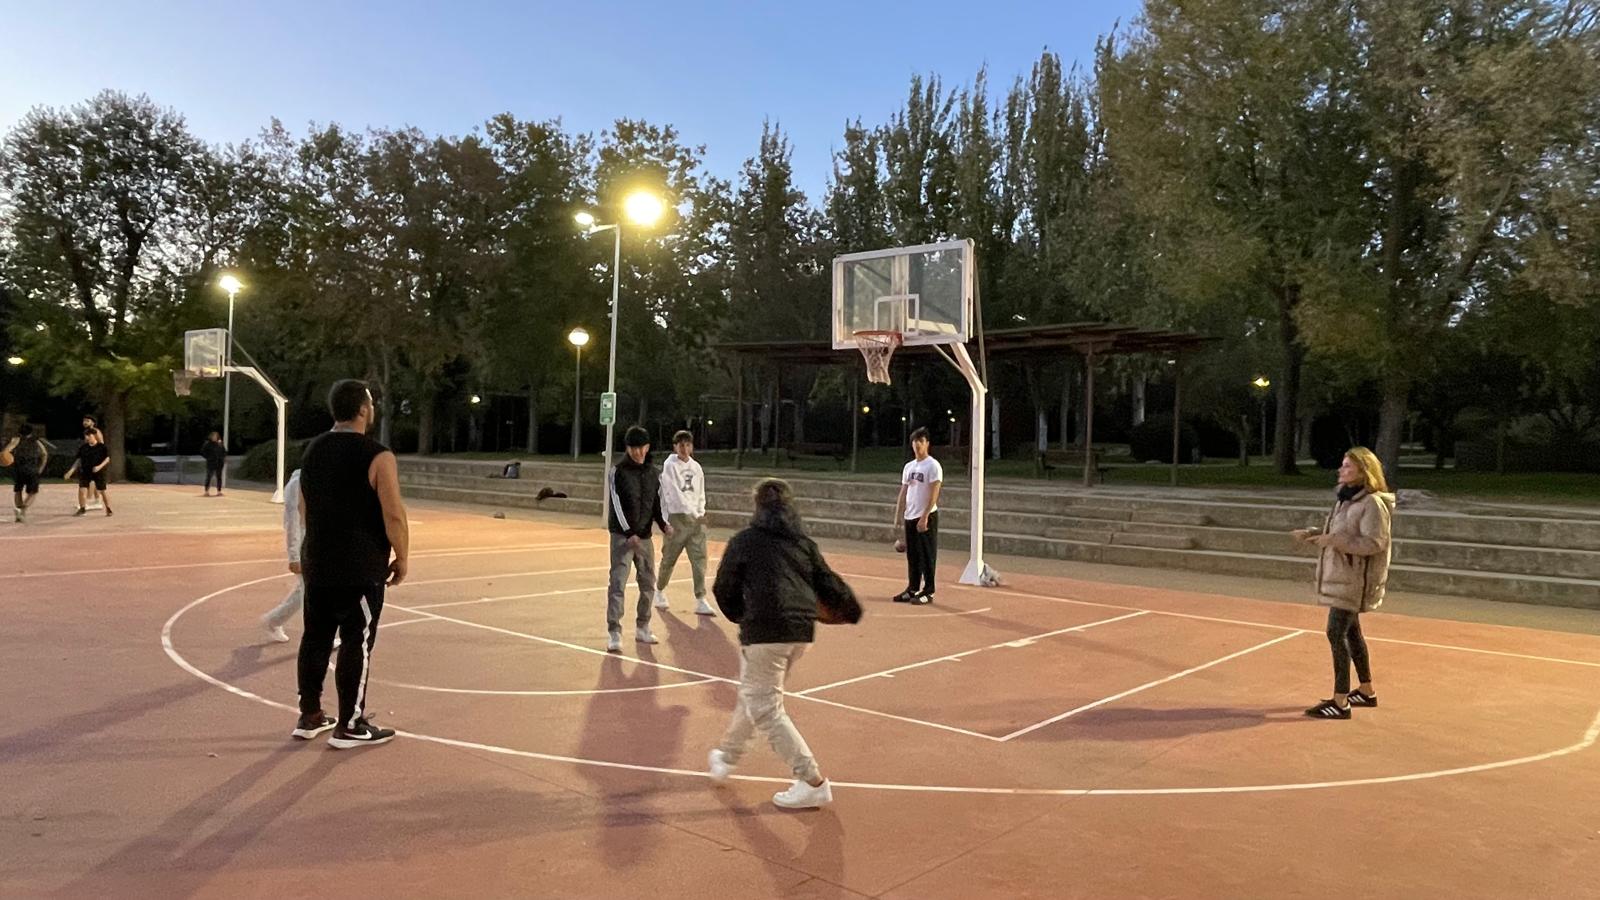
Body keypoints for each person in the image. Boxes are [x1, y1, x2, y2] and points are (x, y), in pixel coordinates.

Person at [708, 478, 861, 810]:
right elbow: (830, 583)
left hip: (765, 631)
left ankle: (812, 781)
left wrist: (741, 616)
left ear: (758, 507)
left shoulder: (745, 541)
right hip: (800, 632)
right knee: (755, 694)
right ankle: (726, 756)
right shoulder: (802, 543)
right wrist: (850, 610)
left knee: (765, 706)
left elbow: (723, 588)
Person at [294, 380, 409, 749]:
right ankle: (350, 723)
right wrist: (402, 556)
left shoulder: (313, 450)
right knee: (355, 642)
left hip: (319, 561)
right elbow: (393, 514)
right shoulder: (378, 456)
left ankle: (310, 714)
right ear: (363, 409)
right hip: (359, 565)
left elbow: (303, 508)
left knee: (315, 637)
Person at [1293, 447, 1394, 720]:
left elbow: (1375, 543)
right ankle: (1366, 690)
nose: (1341, 470)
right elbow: (1339, 534)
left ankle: (1340, 701)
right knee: (1351, 634)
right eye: (1342, 465)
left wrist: (1334, 541)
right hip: (1344, 578)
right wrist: (1316, 534)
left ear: (1364, 471)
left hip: (1354, 581)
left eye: (1347, 466)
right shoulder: (1345, 499)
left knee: (1335, 634)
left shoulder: (1372, 503)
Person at [606, 425, 671, 652]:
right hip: (622, 538)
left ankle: (643, 626)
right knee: (618, 583)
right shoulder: (618, 471)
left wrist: (663, 524)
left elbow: (655, 503)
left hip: (644, 537)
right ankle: (614, 631)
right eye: (632, 448)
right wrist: (628, 533)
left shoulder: (653, 473)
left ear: (647, 447)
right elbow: (616, 504)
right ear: (627, 448)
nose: (637, 452)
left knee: (647, 583)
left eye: (640, 447)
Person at [655, 430, 714, 616]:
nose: (684, 448)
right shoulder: (669, 466)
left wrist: (700, 512)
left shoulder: (696, 467)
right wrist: (687, 512)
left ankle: (700, 598)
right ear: (675, 447)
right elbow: (672, 492)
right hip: (677, 517)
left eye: (688, 444)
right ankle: (659, 589)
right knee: (669, 558)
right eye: (681, 445)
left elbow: (700, 492)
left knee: (699, 559)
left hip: (695, 519)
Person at [891, 426, 942, 605]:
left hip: (925, 516)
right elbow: (904, 491)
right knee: (912, 555)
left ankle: (929, 590)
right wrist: (898, 517)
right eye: (915, 442)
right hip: (910, 515)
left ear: (927, 443)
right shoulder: (909, 467)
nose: (917, 445)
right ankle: (912, 588)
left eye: (921, 441)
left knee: (927, 554)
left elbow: (935, 491)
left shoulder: (933, 466)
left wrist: (925, 515)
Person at [258, 469, 305, 643]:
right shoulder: (298, 483)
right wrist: (294, 556)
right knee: (311, 590)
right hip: (303, 540)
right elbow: (293, 519)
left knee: (308, 590)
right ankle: (274, 621)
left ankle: (273, 620)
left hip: (316, 539)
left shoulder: (322, 476)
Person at [65, 429, 112, 517]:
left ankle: (108, 508)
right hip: (85, 472)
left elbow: (107, 459)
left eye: (89, 436)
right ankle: (82, 509)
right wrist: (71, 471)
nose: (87, 438)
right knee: (82, 489)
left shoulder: (102, 447)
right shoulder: (83, 448)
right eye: (86, 436)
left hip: (98, 472)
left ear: (94, 436)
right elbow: (78, 460)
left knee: (102, 490)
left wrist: (99, 467)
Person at [6, 425, 48, 523]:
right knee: (33, 492)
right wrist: (41, 468)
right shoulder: (36, 441)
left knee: (18, 490)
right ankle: (22, 510)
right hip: (32, 468)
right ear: (31, 432)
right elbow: (44, 453)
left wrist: (7, 460)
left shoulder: (16, 440)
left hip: (19, 468)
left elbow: (6, 451)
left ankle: (18, 512)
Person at [80, 415, 104, 510]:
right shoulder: (86, 432)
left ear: (93, 422)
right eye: (84, 420)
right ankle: (97, 500)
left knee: (91, 480)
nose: (85, 422)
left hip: (95, 458)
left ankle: (88, 501)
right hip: (89, 458)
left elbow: (101, 443)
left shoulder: (96, 431)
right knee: (93, 479)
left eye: (87, 421)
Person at [200, 431, 227, 496]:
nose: (215, 437)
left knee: (219, 477)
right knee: (209, 477)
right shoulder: (207, 444)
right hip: (211, 463)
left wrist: (223, 458)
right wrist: (208, 457)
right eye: (214, 436)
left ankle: (219, 491)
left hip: (219, 463)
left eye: (216, 436)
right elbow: (202, 452)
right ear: (211, 436)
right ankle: (206, 491)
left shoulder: (220, 443)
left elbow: (224, 452)